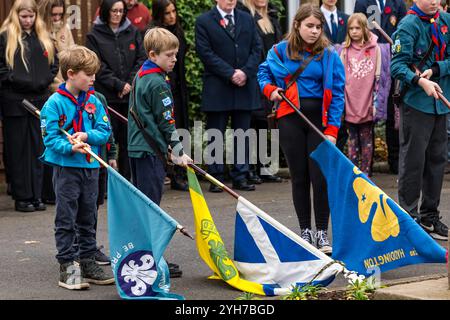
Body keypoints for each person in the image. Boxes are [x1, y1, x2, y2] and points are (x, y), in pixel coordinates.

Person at [257, 4, 345, 254]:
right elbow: (263, 73)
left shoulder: (330, 54)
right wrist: (270, 90)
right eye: (309, 26)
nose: (314, 31)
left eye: (318, 27)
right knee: (299, 177)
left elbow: (338, 94)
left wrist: (332, 131)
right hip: (290, 118)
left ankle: (321, 233)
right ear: (297, 25)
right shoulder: (280, 51)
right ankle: (305, 231)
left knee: (321, 178)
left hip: (319, 121)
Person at [40, 45, 114, 290]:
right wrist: (68, 146)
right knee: (66, 216)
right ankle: (67, 264)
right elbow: (50, 138)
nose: (93, 79)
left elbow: (105, 131)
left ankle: (88, 260)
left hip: (91, 167)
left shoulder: (95, 101)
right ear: (71, 73)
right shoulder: (54, 103)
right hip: (66, 168)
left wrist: (87, 136)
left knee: (88, 215)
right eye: (88, 74)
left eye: (94, 74)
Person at [127, 27, 193, 278]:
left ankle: (147, 255)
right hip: (148, 151)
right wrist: (178, 152)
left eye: (176, 54)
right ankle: (150, 260)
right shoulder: (158, 83)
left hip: (137, 148)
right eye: (170, 55)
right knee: (151, 207)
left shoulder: (141, 75)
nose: (174, 59)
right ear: (153, 55)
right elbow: (166, 123)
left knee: (144, 205)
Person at [390, 0, 450, 241]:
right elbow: (397, 65)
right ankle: (409, 218)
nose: (435, 0)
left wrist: (436, 70)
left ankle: (430, 215)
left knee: (437, 160)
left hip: (440, 101)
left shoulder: (446, 21)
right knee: (414, 160)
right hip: (417, 103)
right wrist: (420, 81)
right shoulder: (408, 25)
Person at [195, 0, 263, 193]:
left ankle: (240, 175)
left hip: (244, 85)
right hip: (218, 86)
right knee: (216, 132)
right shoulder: (204, 21)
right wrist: (230, 73)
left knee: (242, 134)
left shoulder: (247, 19)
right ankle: (216, 177)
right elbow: (205, 52)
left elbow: (256, 49)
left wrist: (245, 72)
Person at [0, 0, 58, 212]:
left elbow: (54, 65)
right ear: (17, 15)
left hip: (39, 100)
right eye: (24, 16)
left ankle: (38, 194)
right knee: (18, 151)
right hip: (14, 101)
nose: (28, 20)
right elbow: (2, 69)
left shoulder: (43, 37)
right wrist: (17, 81)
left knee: (38, 148)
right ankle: (22, 196)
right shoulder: (5, 37)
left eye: (31, 16)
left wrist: (44, 81)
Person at [86, 0, 146, 181]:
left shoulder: (133, 32)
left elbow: (141, 59)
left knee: (129, 141)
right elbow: (97, 65)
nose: (117, 15)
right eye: (114, 11)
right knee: (105, 139)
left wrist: (128, 84)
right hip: (107, 97)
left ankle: (128, 181)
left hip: (129, 97)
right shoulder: (94, 35)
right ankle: (104, 181)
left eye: (121, 11)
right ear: (105, 12)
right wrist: (118, 85)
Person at [354, 0, 407, 174]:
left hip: (393, 60)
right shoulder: (363, 2)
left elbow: (403, 29)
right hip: (371, 60)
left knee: (394, 109)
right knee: (370, 110)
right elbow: (360, 27)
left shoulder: (397, 3)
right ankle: (366, 163)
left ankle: (395, 161)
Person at [238, 0, 283, 184]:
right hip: (254, 76)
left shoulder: (272, 15)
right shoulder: (245, 16)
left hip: (272, 77)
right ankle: (248, 169)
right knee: (250, 123)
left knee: (267, 122)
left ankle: (266, 168)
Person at [40, 0, 76, 205]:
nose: (56, 18)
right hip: (49, 90)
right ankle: (48, 190)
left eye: (60, 14)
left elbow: (70, 56)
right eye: (53, 15)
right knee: (50, 140)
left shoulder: (64, 28)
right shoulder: (40, 30)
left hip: (65, 89)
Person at [152, 0, 190, 191]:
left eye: (174, 11)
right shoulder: (154, 35)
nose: (172, 16)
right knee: (166, 128)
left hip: (178, 87)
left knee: (181, 128)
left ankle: (180, 174)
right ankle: (168, 172)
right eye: (167, 13)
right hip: (163, 86)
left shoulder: (178, 33)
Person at [340, 13, 381, 177]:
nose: (354, 31)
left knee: (367, 142)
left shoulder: (374, 48)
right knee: (352, 142)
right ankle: (353, 175)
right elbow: (340, 78)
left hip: (367, 103)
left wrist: (375, 104)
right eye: (351, 28)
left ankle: (366, 175)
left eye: (357, 28)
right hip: (350, 103)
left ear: (364, 28)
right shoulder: (345, 50)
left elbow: (378, 79)